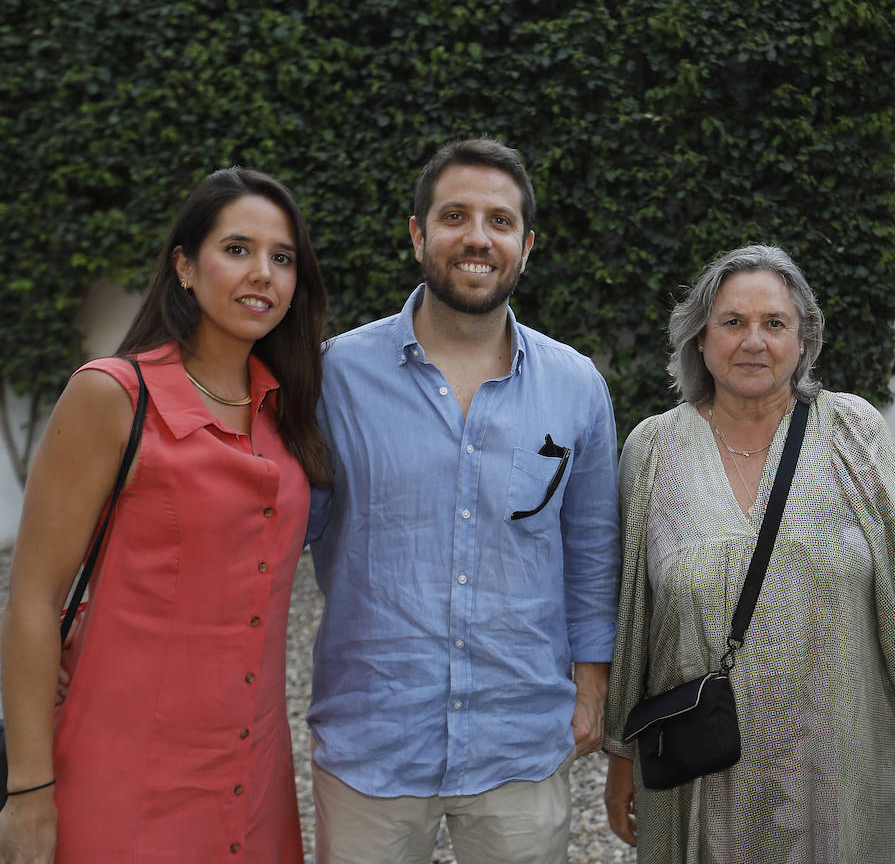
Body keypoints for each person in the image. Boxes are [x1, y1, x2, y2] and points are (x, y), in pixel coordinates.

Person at [0, 167, 331, 863]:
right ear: (183, 265)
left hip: (254, 773)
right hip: (126, 775)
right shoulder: (113, 396)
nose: (262, 274)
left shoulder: (287, 412)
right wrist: (29, 790)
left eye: (282, 257)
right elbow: (32, 599)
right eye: (237, 249)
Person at [305, 137, 620, 864]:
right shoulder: (334, 379)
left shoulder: (577, 388)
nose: (478, 237)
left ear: (526, 245)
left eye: (500, 221)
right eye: (454, 216)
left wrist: (591, 690)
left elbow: (592, 549)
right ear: (418, 235)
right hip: (372, 743)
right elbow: (272, 532)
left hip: (519, 739)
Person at [603, 245, 895, 863]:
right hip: (700, 775)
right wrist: (622, 753)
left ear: (803, 338)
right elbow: (633, 618)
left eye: (774, 323)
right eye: (732, 322)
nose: (753, 342)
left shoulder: (851, 431)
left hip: (838, 770)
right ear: (700, 336)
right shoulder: (654, 448)